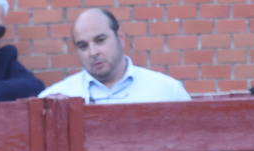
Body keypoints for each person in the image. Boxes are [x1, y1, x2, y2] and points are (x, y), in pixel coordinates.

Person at [39, 8, 190, 103]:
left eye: (100, 40)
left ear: (121, 38)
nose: (93, 52)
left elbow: (200, 150)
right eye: (83, 46)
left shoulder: (166, 91)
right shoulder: (54, 98)